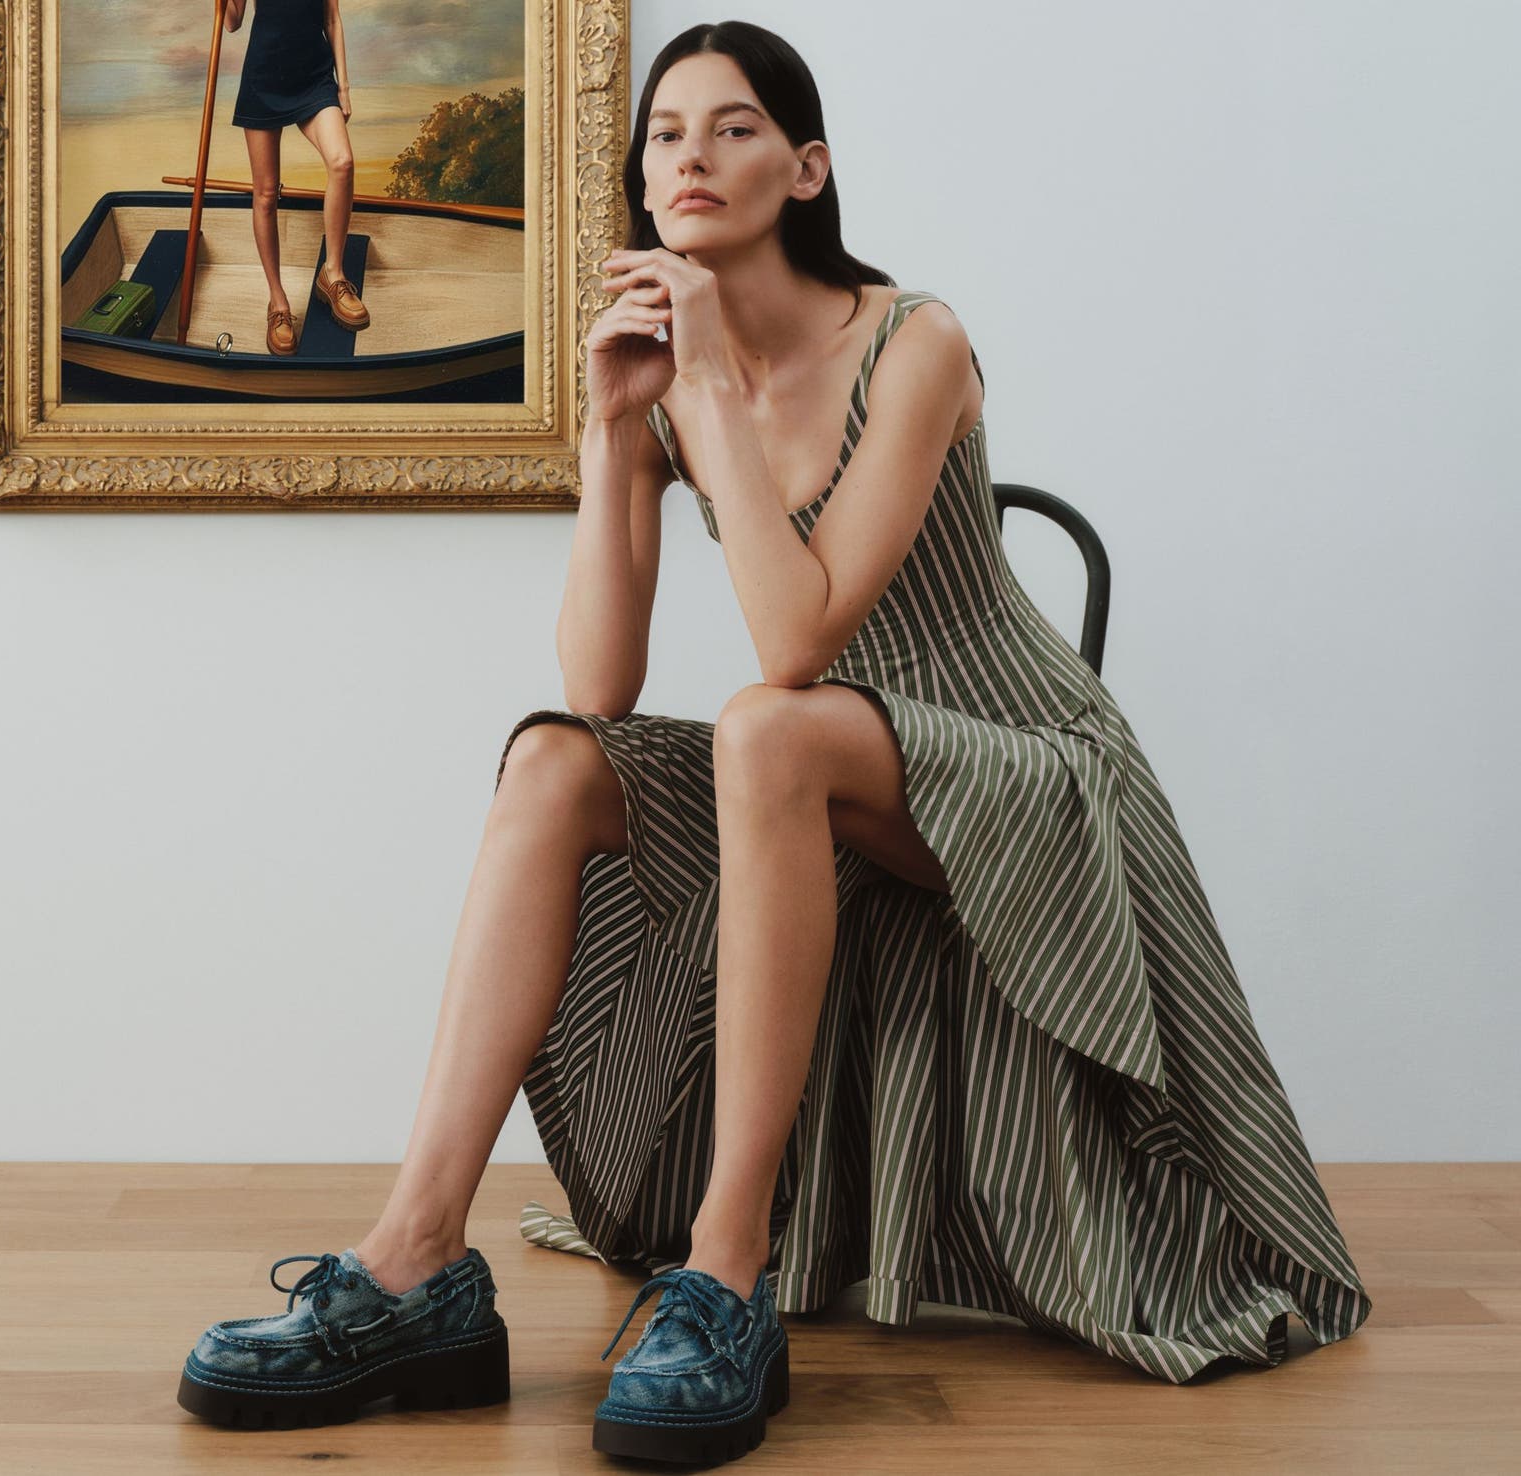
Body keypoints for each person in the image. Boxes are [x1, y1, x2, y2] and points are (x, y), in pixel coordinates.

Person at [178, 19, 1370, 1466]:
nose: (692, 155)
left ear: (806, 168)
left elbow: (797, 640)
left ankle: (726, 1272)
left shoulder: (914, 339)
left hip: (1020, 764)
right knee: (556, 759)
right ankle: (418, 1257)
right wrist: (618, 438)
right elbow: (598, 684)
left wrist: (713, 402)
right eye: (667, 133)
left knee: (765, 726)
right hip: (821, 750)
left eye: (735, 128)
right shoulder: (666, 372)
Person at [224, 0, 371, 355]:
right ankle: (278, 304)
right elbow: (232, 22)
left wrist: (343, 86)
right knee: (265, 194)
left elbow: (332, 18)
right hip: (265, 75)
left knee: (342, 162)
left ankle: (332, 274)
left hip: (315, 76)